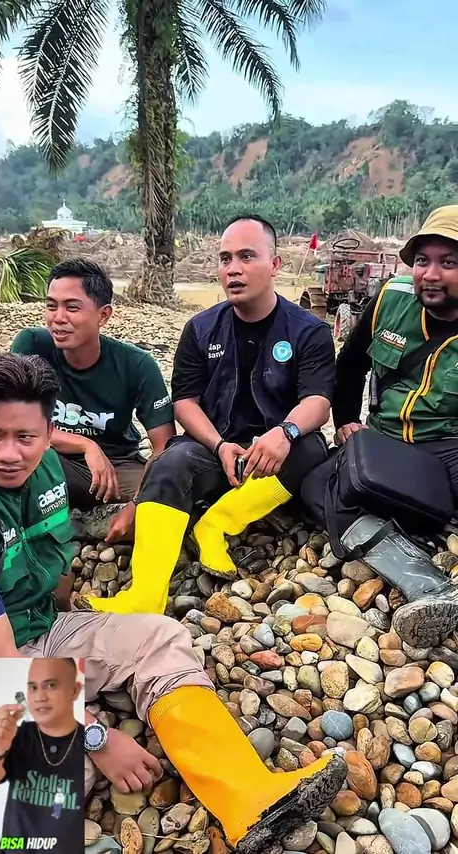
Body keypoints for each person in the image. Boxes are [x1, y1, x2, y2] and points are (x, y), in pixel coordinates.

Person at [0, 351, 347, 854]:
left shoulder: (45, 471)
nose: (9, 453)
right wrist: (97, 737)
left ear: (49, 434)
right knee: (54, 783)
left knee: (160, 635)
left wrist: (73, 651)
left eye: (25, 437)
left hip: (36, 625)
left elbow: (56, 570)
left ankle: (249, 799)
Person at [76, 215, 336, 615]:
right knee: (169, 461)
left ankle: (217, 524)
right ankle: (145, 594)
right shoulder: (201, 329)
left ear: (275, 264)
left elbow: (317, 401)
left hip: (274, 454)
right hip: (216, 449)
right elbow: (185, 401)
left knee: (312, 447)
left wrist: (284, 432)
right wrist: (218, 445)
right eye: (225, 258)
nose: (233, 269)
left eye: (247, 256)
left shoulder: (308, 330)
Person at [301, 204, 458, 649]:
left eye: (448, 263)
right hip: (384, 441)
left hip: (446, 444)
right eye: (423, 260)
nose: (430, 274)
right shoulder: (391, 299)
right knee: (316, 487)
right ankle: (428, 584)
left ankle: (418, 520)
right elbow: (349, 366)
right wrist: (347, 421)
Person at [11, 258, 175, 543]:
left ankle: (70, 521)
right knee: (11, 459)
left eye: (72, 307)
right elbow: (13, 423)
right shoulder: (32, 346)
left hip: (116, 466)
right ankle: (70, 522)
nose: (58, 318)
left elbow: (164, 446)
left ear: (103, 315)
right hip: (50, 457)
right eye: (51, 306)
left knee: (171, 501)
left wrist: (137, 503)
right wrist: (86, 444)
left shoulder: (136, 365)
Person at [0, 658, 84, 854]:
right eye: (33, 687)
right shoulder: (19, 736)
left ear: (75, 690)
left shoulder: (89, 744)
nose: (39, 697)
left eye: (51, 685)